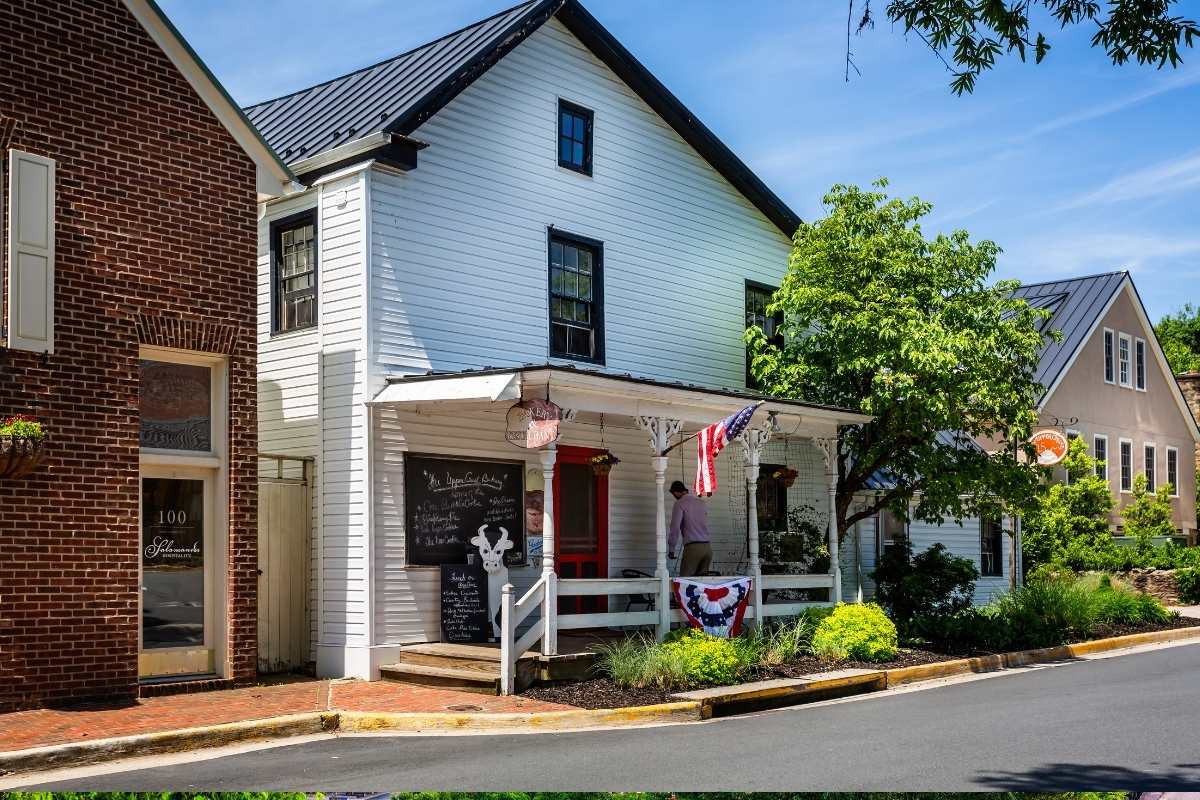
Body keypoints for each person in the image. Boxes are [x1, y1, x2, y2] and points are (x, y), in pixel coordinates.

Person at [668, 480, 712, 576]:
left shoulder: (679, 503)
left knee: (685, 583)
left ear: (675, 492)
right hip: (707, 547)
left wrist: (671, 549)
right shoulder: (701, 502)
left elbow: (675, 528)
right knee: (702, 584)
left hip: (693, 548)